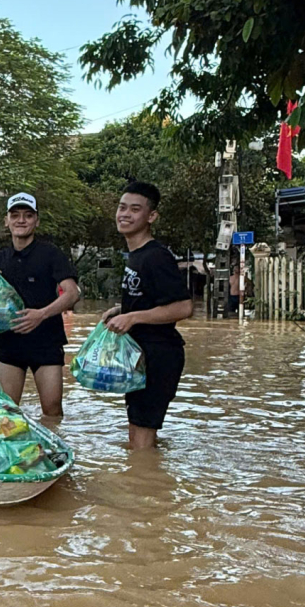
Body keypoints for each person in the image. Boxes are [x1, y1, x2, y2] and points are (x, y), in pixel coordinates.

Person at [103, 181, 194, 449]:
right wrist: (123, 310)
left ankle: (146, 488)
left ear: (151, 216)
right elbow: (152, 299)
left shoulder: (156, 257)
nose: (125, 214)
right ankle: (148, 481)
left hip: (159, 356)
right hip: (139, 355)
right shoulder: (136, 256)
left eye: (134, 209)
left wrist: (132, 318)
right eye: (121, 208)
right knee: (138, 434)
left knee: (141, 439)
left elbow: (183, 307)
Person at [0, 192, 80, 415]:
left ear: (36, 220)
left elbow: (72, 293)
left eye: (28, 215)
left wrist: (42, 314)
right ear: (6, 221)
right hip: (9, 344)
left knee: (53, 410)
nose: (21, 220)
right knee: (5, 412)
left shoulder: (51, 254)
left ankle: (53, 449)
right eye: (15, 215)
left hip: (46, 342)